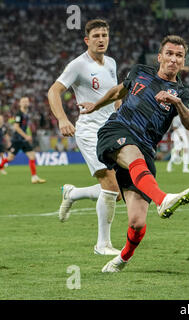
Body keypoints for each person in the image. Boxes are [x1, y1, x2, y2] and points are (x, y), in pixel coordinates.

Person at [78, 35, 189, 273]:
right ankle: (162, 199)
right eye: (170, 54)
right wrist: (95, 105)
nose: (174, 59)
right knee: (133, 155)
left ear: (183, 61)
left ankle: (121, 259)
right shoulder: (139, 72)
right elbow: (117, 93)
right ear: (160, 56)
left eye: (179, 56)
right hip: (117, 130)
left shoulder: (184, 94)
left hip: (145, 150)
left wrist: (177, 103)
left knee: (137, 221)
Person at [47, 19, 121, 255]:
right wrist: (62, 119)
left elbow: (115, 96)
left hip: (111, 130)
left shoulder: (111, 63)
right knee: (110, 185)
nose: (101, 39)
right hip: (89, 132)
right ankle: (102, 244)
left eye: (104, 35)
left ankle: (73, 193)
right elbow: (54, 90)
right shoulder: (78, 65)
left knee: (117, 192)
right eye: (96, 36)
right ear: (87, 40)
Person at [0, 97, 46, 184]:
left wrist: (28, 135)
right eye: (23, 102)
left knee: (32, 156)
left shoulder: (26, 114)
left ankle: (34, 177)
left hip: (23, 140)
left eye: (26, 101)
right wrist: (26, 136)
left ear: (28, 103)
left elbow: (24, 127)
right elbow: (16, 127)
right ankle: (1, 166)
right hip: (17, 140)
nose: (25, 103)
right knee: (10, 158)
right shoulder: (19, 114)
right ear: (20, 104)